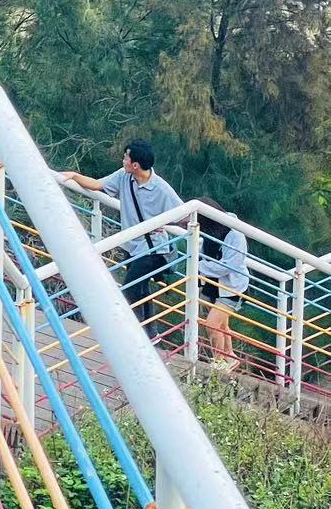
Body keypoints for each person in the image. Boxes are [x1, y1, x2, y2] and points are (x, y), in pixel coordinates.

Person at [58, 140, 182, 340]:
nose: (123, 160)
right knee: (140, 288)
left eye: (126, 157)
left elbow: (184, 214)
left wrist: (164, 223)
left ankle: (137, 337)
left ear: (135, 165)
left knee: (131, 289)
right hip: (132, 246)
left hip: (154, 249)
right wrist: (73, 175)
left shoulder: (161, 188)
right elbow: (98, 185)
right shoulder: (124, 176)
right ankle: (151, 334)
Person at [199, 211, 249, 368]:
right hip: (213, 285)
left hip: (233, 288)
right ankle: (230, 357)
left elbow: (229, 266)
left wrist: (200, 266)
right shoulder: (208, 232)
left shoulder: (235, 235)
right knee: (221, 325)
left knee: (212, 324)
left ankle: (219, 361)